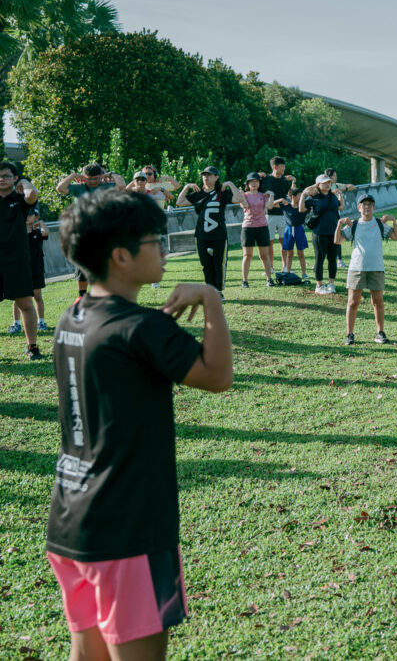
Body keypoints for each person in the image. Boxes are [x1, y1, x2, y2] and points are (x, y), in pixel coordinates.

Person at [48, 188, 232, 660]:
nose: (164, 249)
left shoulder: (72, 317)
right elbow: (217, 376)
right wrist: (211, 297)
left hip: (71, 520)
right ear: (121, 256)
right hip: (128, 527)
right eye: (155, 240)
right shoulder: (141, 326)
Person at [336, 194, 397, 345]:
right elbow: (337, 240)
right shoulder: (354, 224)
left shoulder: (379, 223)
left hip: (376, 267)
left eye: (370, 204)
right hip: (356, 268)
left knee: (378, 301)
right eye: (364, 204)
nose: (367, 207)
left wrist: (394, 221)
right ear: (359, 208)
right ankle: (349, 334)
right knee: (353, 302)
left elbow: (396, 237)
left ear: (373, 207)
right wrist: (339, 224)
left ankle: (380, 332)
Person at [57, 163, 126, 299]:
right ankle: (81, 295)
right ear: (84, 177)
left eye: (96, 178)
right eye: (89, 179)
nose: (93, 181)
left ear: (100, 176)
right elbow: (60, 188)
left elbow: (122, 185)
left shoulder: (107, 187)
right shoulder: (79, 188)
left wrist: (111, 174)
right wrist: (73, 175)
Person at [0, 161, 44, 359]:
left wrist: (24, 182)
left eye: (6, 176)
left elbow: (32, 195)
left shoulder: (19, 200)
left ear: (14, 178)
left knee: (25, 303)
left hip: (17, 260)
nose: (2, 179)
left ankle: (32, 348)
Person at [177, 167, 242, 295]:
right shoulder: (198, 193)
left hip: (219, 235)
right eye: (204, 175)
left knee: (219, 264)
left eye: (209, 175)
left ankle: (218, 290)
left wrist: (230, 184)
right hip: (202, 235)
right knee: (206, 264)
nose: (206, 177)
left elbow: (239, 199)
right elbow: (179, 202)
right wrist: (187, 187)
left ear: (216, 177)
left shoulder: (222, 193)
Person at [300, 175, 343, 294]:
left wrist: (341, 196)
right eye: (324, 183)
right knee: (319, 259)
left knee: (332, 259)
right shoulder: (314, 197)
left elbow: (340, 207)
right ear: (318, 185)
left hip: (333, 232)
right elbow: (301, 209)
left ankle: (331, 284)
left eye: (329, 182)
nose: (328, 184)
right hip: (319, 233)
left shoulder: (333, 196)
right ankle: (319, 285)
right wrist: (303, 195)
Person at [11, 208, 50, 334]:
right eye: (26, 213)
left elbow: (46, 233)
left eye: (31, 214)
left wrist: (41, 223)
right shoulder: (18, 233)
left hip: (36, 268)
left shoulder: (37, 233)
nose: (28, 216)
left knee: (37, 296)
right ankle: (16, 323)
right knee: (19, 298)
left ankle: (41, 322)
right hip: (21, 270)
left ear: (36, 217)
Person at [258, 156, 296, 272]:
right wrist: (257, 175)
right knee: (269, 242)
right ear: (275, 167)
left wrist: (294, 181)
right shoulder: (265, 179)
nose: (284, 168)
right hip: (269, 215)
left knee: (284, 241)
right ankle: (270, 267)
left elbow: (291, 195)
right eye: (282, 166)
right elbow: (253, 188)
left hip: (283, 215)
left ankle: (285, 267)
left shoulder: (284, 180)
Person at [239, 172, 276, 288]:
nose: (254, 183)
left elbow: (269, 206)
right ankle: (244, 281)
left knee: (264, 255)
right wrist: (240, 195)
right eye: (251, 181)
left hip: (262, 227)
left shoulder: (263, 195)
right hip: (248, 227)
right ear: (247, 183)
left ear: (259, 183)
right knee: (247, 255)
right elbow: (245, 206)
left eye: (256, 181)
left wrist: (271, 195)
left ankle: (269, 279)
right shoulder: (244, 195)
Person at [280, 186, 309, 278]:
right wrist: (281, 200)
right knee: (289, 253)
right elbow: (271, 205)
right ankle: (288, 272)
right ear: (293, 197)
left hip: (299, 229)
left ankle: (304, 273)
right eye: (300, 195)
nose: (302, 197)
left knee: (300, 253)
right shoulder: (286, 206)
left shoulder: (303, 207)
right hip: (288, 230)